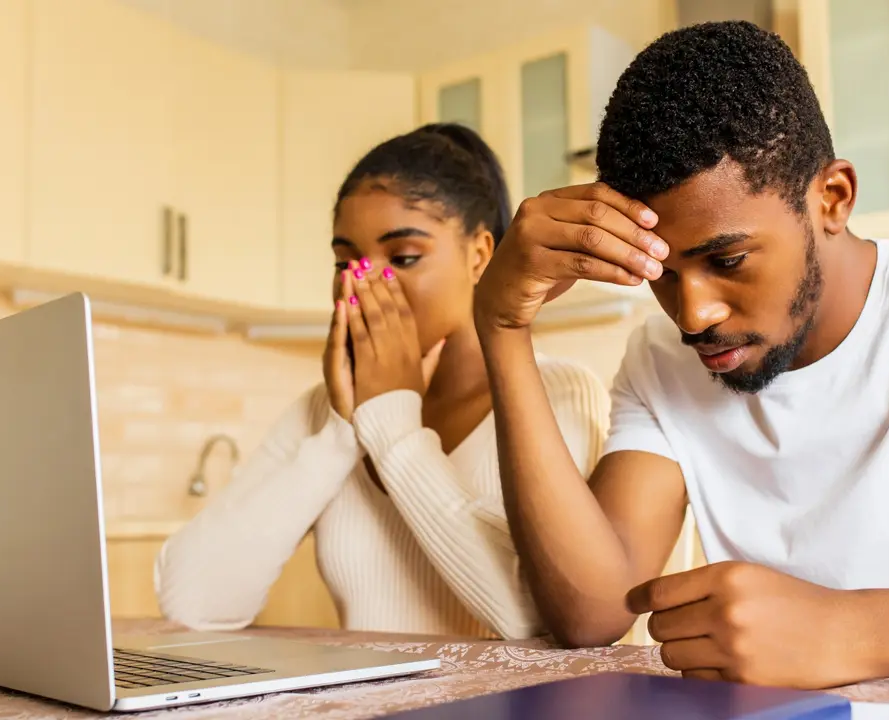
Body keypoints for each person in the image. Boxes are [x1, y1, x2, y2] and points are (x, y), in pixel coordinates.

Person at [474, 21, 889, 687]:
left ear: (833, 198)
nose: (693, 313)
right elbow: (591, 612)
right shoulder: (661, 357)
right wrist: (502, 324)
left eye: (728, 259)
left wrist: (854, 631)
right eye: (664, 273)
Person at [156, 123, 609, 640]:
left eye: (403, 258)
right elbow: (191, 602)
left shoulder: (562, 392)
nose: (364, 282)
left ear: (480, 254)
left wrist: (392, 422)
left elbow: (537, 618)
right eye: (345, 261)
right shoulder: (322, 410)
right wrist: (346, 427)